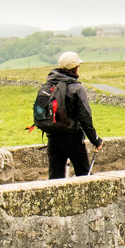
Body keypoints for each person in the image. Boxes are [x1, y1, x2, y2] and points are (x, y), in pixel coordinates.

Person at [37, 51, 102, 179]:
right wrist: (96, 140)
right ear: (75, 68)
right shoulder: (77, 88)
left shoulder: (48, 85)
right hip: (73, 139)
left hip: (53, 138)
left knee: (55, 180)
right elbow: (85, 118)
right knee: (84, 178)